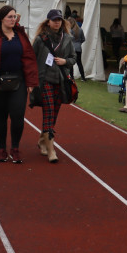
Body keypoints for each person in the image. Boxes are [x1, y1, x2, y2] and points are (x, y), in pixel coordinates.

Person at [0, 5, 39, 164]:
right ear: (2, 19)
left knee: (18, 116)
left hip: (18, 81)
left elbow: (29, 59)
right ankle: (2, 148)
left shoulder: (21, 35)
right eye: (10, 17)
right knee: (0, 117)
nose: (13, 19)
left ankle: (15, 148)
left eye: (15, 17)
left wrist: (31, 82)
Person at [32, 9, 75, 163]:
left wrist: (66, 61)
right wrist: (32, 81)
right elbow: (32, 59)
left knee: (54, 114)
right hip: (45, 81)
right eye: (54, 20)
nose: (57, 22)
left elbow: (73, 58)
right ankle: (51, 150)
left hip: (61, 81)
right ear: (48, 21)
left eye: (59, 20)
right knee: (49, 111)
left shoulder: (68, 39)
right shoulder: (40, 39)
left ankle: (42, 140)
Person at [67, 16, 87, 81]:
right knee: (79, 63)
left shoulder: (69, 30)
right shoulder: (80, 30)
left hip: (71, 48)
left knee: (71, 63)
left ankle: (72, 77)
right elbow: (83, 39)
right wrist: (78, 43)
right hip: (78, 48)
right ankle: (83, 77)